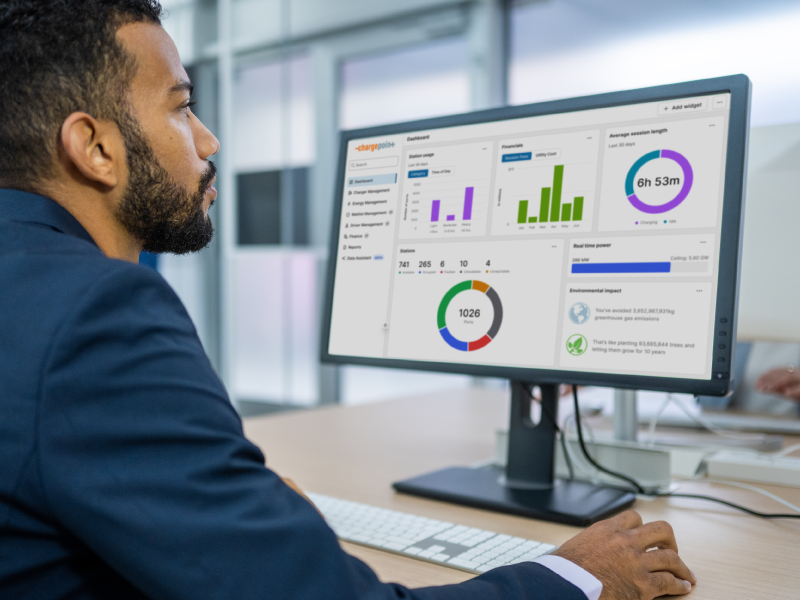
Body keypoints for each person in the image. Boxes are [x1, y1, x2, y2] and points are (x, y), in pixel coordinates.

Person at [0, 2, 697, 599]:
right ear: (93, 147)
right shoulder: (99, 314)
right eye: (182, 106)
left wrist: (237, 525)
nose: (209, 139)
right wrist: (574, 577)